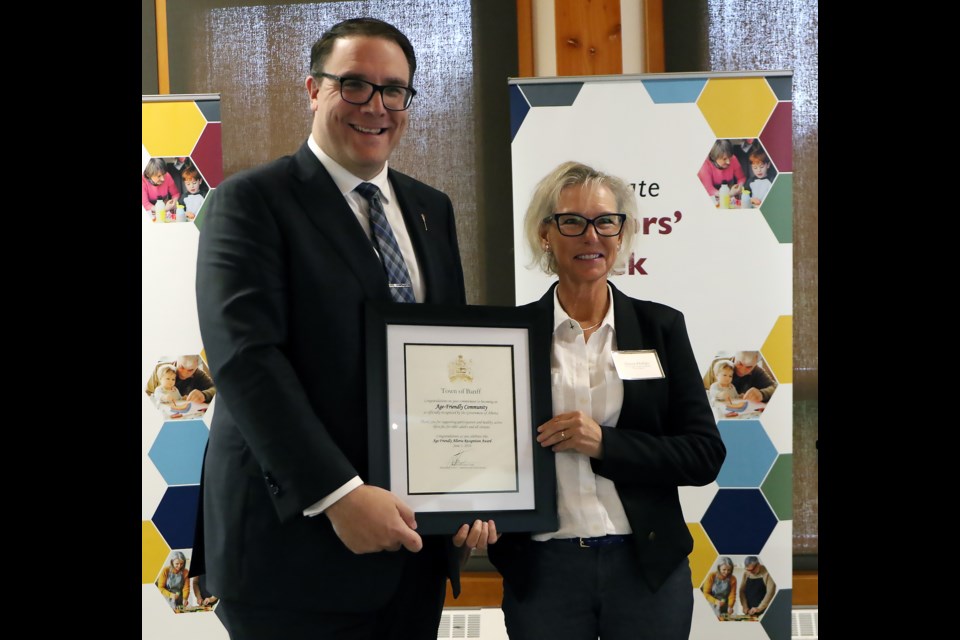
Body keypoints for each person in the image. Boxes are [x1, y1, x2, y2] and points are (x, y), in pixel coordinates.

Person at [192, 17, 495, 640]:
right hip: (293, 554)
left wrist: (468, 491)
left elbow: (445, 362)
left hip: (412, 549)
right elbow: (248, 362)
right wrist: (340, 495)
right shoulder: (250, 202)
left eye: (394, 90)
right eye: (353, 85)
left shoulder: (430, 209)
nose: (376, 106)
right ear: (313, 89)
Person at [488, 161, 726, 640]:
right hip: (545, 568)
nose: (590, 236)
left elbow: (704, 455)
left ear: (622, 235)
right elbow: (485, 448)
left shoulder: (661, 328)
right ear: (545, 236)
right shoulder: (508, 336)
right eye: (572, 222)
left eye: (605, 222)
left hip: (645, 567)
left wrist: (605, 445)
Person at [145, 355, 216, 404]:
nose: (184, 373)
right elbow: (147, 394)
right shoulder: (159, 368)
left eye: (190, 370)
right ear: (177, 359)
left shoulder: (198, 374)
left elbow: (216, 388)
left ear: (197, 367)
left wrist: (204, 394)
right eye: (181, 367)